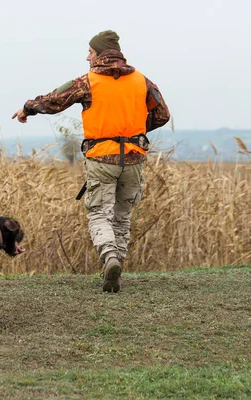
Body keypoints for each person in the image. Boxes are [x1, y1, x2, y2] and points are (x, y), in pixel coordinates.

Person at [12, 30, 170, 293]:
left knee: (99, 213)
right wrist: (136, 133)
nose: (87, 57)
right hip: (134, 158)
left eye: (89, 52)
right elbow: (162, 114)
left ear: (99, 53)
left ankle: (109, 257)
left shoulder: (89, 81)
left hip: (101, 157)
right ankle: (115, 267)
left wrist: (27, 108)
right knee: (122, 216)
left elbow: (55, 100)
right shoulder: (143, 81)